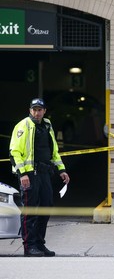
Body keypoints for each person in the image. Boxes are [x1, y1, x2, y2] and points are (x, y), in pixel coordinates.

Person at [9, 98, 70, 257]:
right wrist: (22, 174)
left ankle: (39, 244)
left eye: (40, 110)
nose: (37, 112)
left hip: (44, 173)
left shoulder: (47, 125)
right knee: (30, 211)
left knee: (46, 207)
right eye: (34, 109)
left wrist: (61, 170)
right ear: (30, 110)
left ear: (44, 111)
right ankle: (29, 247)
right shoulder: (23, 126)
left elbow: (54, 151)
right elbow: (14, 152)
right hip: (29, 174)